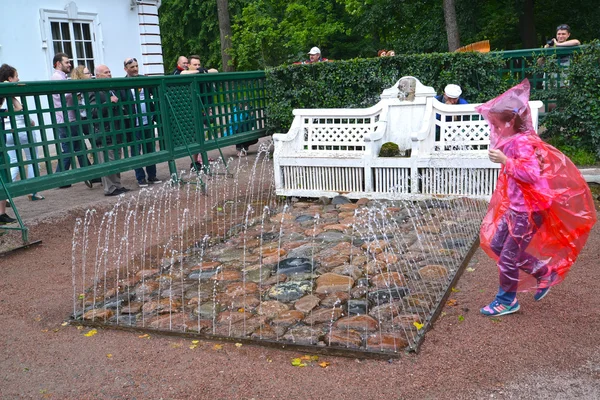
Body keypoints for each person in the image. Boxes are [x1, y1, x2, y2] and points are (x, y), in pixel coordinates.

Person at [477, 79, 596, 316]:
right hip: (518, 207)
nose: (494, 129)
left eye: (497, 124)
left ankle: (507, 300)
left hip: (528, 210)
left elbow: (530, 174)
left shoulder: (521, 142)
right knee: (498, 245)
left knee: (508, 257)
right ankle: (544, 272)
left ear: (510, 122)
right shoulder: (514, 140)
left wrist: (504, 161)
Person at [0, 64, 44, 201]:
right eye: (16, 76)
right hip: (22, 130)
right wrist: (30, 121)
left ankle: (5, 195)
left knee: (13, 162)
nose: (18, 79)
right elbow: (21, 111)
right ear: (10, 78)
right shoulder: (13, 94)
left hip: (7, 132)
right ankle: (33, 191)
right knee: (32, 159)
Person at [51, 53, 92, 188]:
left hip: (68, 119)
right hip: (67, 119)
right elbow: (65, 96)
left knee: (78, 147)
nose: (69, 64)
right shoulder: (57, 77)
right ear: (58, 63)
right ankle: (60, 179)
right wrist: (78, 89)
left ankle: (90, 175)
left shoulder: (62, 77)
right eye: (67, 62)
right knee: (71, 149)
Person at [89, 65, 131, 196]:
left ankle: (117, 185)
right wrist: (108, 102)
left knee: (116, 159)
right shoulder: (94, 91)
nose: (109, 74)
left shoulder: (111, 88)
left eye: (110, 71)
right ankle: (110, 188)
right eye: (106, 72)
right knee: (107, 160)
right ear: (98, 75)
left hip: (115, 130)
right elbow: (93, 111)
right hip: (104, 131)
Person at [121, 57, 162, 187]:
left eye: (136, 66)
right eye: (132, 67)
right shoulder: (122, 84)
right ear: (126, 69)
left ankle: (152, 175)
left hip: (147, 121)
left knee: (150, 149)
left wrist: (153, 114)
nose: (135, 69)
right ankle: (140, 178)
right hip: (134, 124)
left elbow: (153, 95)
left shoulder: (144, 80)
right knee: (135, 151)